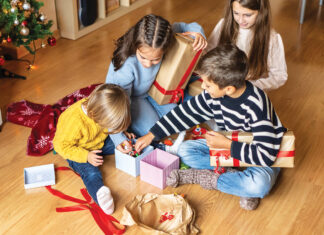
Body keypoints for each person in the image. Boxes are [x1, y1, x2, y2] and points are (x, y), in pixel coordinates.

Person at [135, 44, 287, 210]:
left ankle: (208, 178)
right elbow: (185, 113)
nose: (203, 88)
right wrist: (151, 134)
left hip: (260, 153)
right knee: (185, 151)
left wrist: (227, 145)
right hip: (230, 146)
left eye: (207, 85)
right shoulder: (212, 96)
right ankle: (235, 179)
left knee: (259, 186)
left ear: (228, 89)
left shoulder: (257, 105)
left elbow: (266, 156)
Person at [105, 14, 207, 153]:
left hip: (155, 92)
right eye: (143, 57)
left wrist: (197, 33)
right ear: (135, 45)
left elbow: (184, 26)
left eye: (155, 60)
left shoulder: (168, 36)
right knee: (152, 131)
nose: (148, 64)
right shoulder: (125, 66)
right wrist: (117, 137)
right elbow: (112, 105)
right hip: (131, 99)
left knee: (179, 123)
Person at [53, 84, 132, 215]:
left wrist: (121, 135)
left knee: (126, 143)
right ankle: (100, 193)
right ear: (97, 117)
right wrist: (86, 156)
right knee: (91, 173)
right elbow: (60, 146)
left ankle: (158, 147)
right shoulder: (74, 120)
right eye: (110, 124)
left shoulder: (100, 109)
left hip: (98, 142)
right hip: (78, 151)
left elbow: (109, 128)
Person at [206, 0, 287, 91]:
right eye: (236, 13)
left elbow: (279, 76)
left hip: (249, 91)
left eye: (247, 15)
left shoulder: (271, 38)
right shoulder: (223, 25)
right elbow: (208, 52)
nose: (240, 20)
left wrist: (248, 86)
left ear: (261, 12)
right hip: (221, 86)